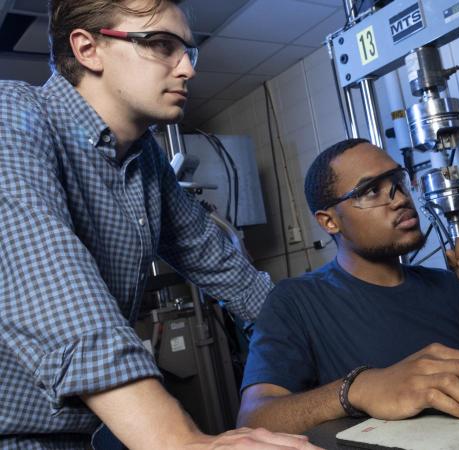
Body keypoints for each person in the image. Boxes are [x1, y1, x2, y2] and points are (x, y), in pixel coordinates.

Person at [0, 0, 320, 448]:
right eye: (160, 44)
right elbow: (48, 280)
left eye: (189, 50)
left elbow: (227, 270)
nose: (187, 68)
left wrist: (327, 346)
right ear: (88, 48)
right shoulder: (12, 114)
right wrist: (180, 440)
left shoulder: (146, 163)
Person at [237, 138, 459, 434]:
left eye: (397, 181)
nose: (400, 198)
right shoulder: (295, 301)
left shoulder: (444, 285)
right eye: (370, 190)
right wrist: (356, 389)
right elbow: (254, 419)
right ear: (330, 221)